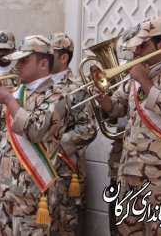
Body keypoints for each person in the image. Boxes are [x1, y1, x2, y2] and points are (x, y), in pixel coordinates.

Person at [95, 17, 161, 236]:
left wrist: (144, 81)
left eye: (142, 45)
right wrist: (103, 100)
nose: (136, 51)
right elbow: (118, 107)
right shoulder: (136, 74)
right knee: (128, 231)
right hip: (128, 169)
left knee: (159, 231)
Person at [0, 35, 69, 236]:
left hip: (33, 194)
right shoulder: (17, 93)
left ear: (43, 63)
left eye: (23, 60)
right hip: (6, 189)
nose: (17, 65)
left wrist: (8, 100)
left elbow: (35, 130)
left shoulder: (57, 95)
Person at [47, 32, 96, 236]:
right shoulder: (42, 84)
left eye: (50, 54)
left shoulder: (76, 87)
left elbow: (88, 129)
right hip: (43, 170)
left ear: (63, 57)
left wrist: (57, 144)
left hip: (64, 171)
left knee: (65, 227)